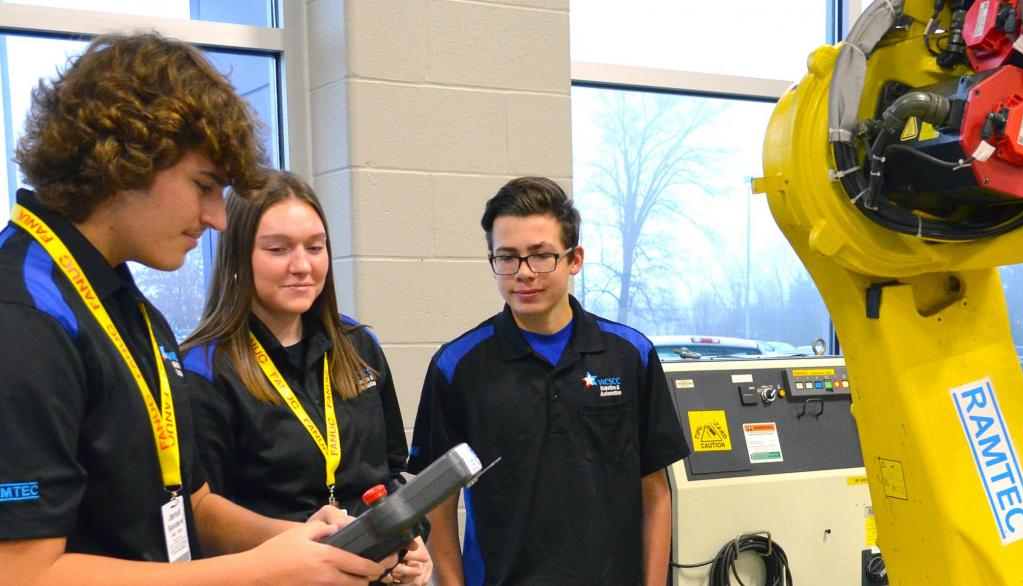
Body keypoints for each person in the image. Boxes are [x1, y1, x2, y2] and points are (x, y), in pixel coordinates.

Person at [0, 33, 388, 584]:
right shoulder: (23, 315)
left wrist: (310, 543)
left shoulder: (128, 310)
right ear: (126, 159)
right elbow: (23, 574)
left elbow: (191, 503)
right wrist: (259, 571)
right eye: (204, 187)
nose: (217, 219)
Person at [407, 177, 690, 585]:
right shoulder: (457, 367)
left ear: (574, 259)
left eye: (541, 256)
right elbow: (438, 504)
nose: (523, 274)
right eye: (507, 257)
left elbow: (656, 492)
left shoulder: (631, 355)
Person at [182, 170, 431, 585]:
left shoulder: (359, 345)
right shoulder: (204, 367)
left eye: (315, 248)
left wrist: (409, 540)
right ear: (239, 257)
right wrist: (310, 543)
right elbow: (201, 512)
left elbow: (388, 473)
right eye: (278, 249)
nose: (302, 265)